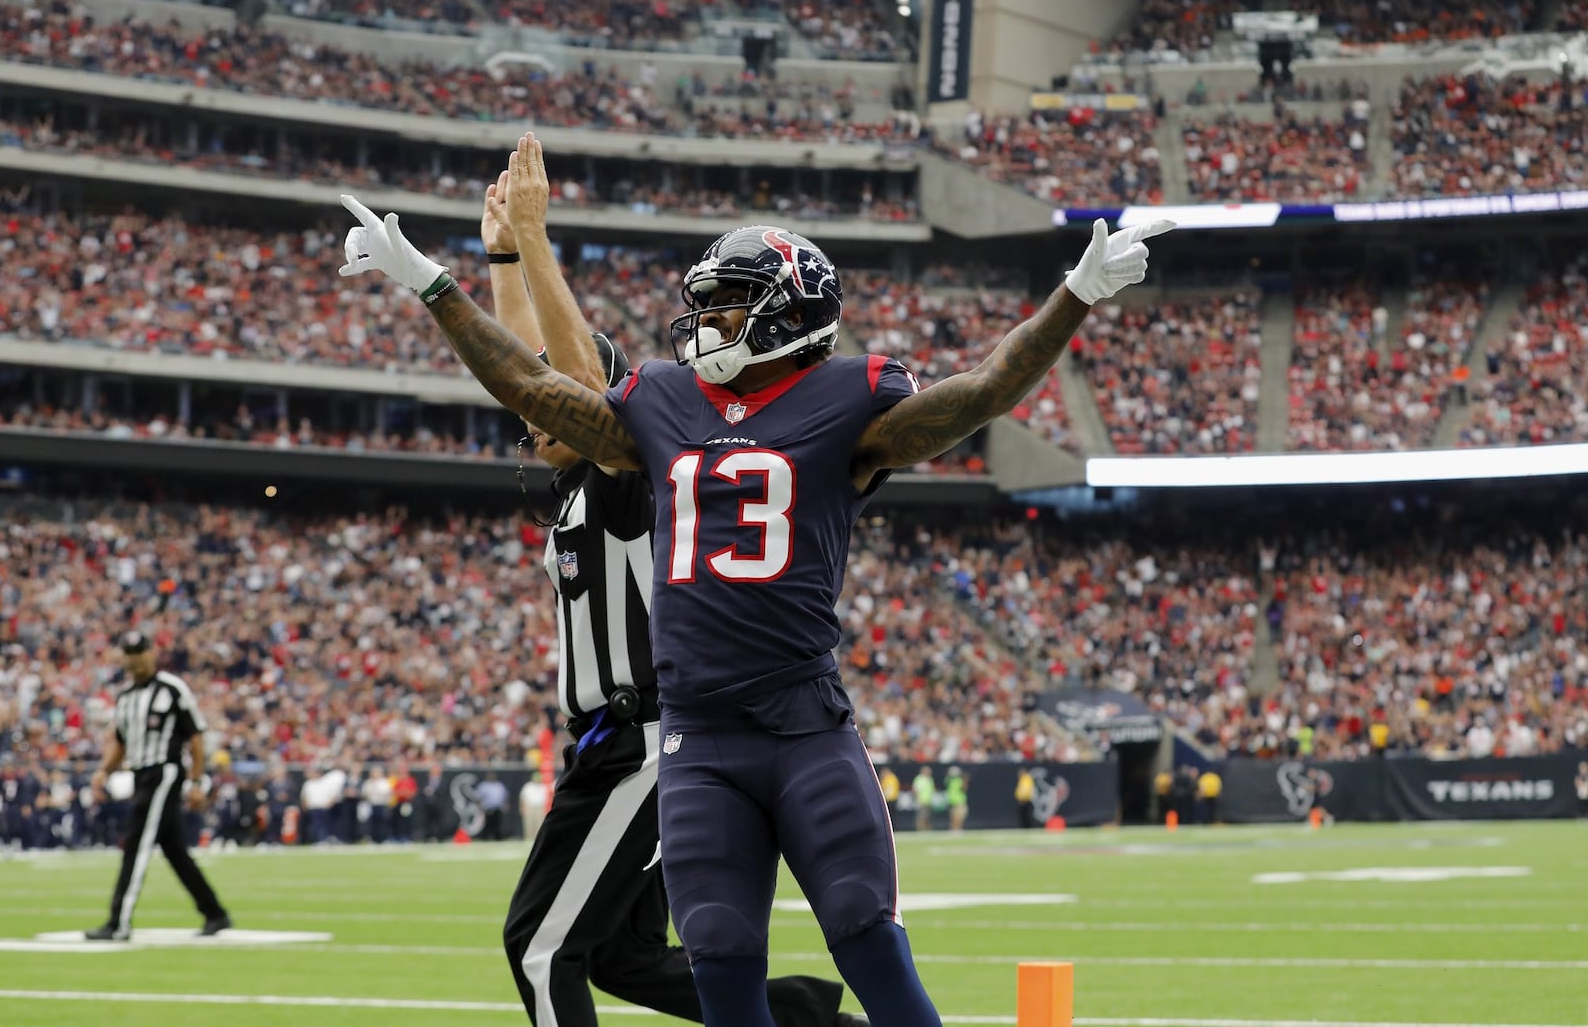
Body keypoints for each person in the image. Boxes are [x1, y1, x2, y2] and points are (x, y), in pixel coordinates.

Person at [339, 132, 1171, 1027]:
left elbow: (981, 391)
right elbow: (537, 391)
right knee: (721, 972)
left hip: (804, 729)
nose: (706, 322)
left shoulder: (850, 398)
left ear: (786, 313)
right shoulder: (663, 400)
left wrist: (1074, 296)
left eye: (730, 306)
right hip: (697, 746)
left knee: (871, 947)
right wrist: (433, 283)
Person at [472, 143, 858, 1027]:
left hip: (643, 740)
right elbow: (524, 375)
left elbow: (565, 382)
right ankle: (816, 1022)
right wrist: (499, 260)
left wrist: (531, 240)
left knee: (539, 951)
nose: (535, 422)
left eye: (555, 406)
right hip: (614, 742)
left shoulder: (630, 470)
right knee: (621, 957)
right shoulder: (576, 482)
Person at [85, 630, 232, 940]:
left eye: (139, 653)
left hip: (164, 772)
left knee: (136, 844)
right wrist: (104, 771)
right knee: (174, 849)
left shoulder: (172, 689)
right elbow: (122, 743)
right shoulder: (125, 697)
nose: (135, 660)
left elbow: (194, 736)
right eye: (129, 653)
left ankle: (118, 921)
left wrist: (196, 781)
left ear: (151, 654)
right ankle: (215, 913)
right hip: (139, 774)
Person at [911, 765, 935, 832]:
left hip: (928, 801)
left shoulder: (930, 779)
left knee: (928, 817)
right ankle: (920, 830)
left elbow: (931, 789)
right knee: (921, 817)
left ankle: (926, 830)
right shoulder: (919, 779)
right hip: (921, 801)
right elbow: (915, 790)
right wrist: (917, 799)